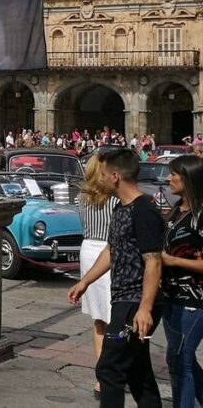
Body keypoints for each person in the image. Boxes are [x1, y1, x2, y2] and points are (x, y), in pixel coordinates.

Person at [68, 148, 164, 408]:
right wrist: (85, 281)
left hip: (133, 303)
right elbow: (111, 250)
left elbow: (153, 261)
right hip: (122, 298)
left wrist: (144, 309)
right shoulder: (121, 209)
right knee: (137, 373)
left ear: (115, 176)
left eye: (101, 175)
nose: (98, 180)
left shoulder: (144, 210)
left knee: (109, 369)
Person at [160, 154, 203, 407]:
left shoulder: (201, 215)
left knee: (182, 359)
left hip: (195, 298)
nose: (168, 178)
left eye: (173, 174)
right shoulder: (178, 210)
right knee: (177, 360)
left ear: (188, 178)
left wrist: (173, 262)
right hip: (172, 295)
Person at [77, 154, 119, 399]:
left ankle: (101, 375)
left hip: (88, 250)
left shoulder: (82, 197)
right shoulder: (114, 200)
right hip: (108, 251)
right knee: (116, 315)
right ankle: (114, 372)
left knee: (100, 318)